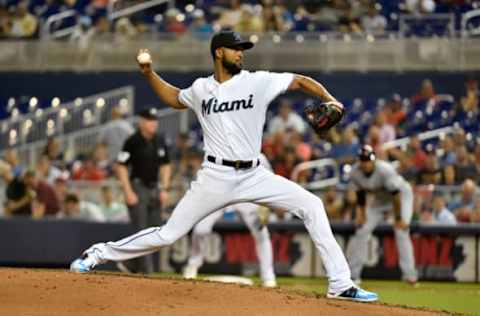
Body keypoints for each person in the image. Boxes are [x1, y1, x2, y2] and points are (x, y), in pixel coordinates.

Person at [70, 30, 377, 302]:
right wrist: (149, 73)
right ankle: (97, 253)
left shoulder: (258, 81)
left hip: (255, 174)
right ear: (219, 52)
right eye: (235, 48)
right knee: (169, 234)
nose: (241, 53)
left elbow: (299, 80)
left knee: (311, 204)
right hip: (215, 176)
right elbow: (175, 98)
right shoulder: (202, 89)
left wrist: (331, 98)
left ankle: (341, 283)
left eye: (242, 49)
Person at [183, 154, 277, 288]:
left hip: (247, 196)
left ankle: (268, 276)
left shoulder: (258, 155)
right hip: (221, 195)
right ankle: (192, 265)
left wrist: (265, 203)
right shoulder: (218, 151)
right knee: (201, 229)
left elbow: (270, 179)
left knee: (262, 233)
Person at [347, 145, 418, 285]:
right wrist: (361, 215)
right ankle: (353, 276)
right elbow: (360, 194)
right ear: (359, 161)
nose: (365, 163)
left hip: (401, 196)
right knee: (361, 230)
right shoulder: (355, 172)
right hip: (380, 200)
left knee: (401, 230)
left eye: (368, 160)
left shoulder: (385, 170)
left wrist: (398, 218)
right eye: (363, 160)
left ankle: (410, 276)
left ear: (374, 160)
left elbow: (396, 195)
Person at [113, 107, 172, 274]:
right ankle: (148, 273)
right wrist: (128, 191)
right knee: (141, 231)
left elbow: (166, 165)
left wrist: (164, 188)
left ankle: (130, 264)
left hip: (155, 188)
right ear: (142, 122)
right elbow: (121, 166)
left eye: (155, 120)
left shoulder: (160, 140)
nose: (154, 124)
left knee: (155, 231)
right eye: (150, 120)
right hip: (137, 188)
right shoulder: (132, 141)